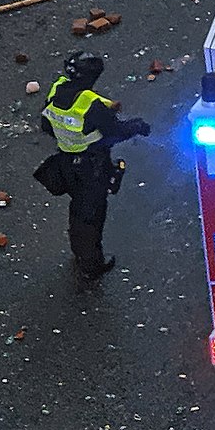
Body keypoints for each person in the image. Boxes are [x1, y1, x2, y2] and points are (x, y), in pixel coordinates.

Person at [34, 52, 149, 283]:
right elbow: (115, 131)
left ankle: (79, 254)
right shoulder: (91, 106)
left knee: (77, 211)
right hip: (90, 168)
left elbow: (48, 123)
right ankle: (91, 265)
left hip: (66, 162)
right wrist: (138, 126)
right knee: (91, 215)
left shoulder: (58, 88)